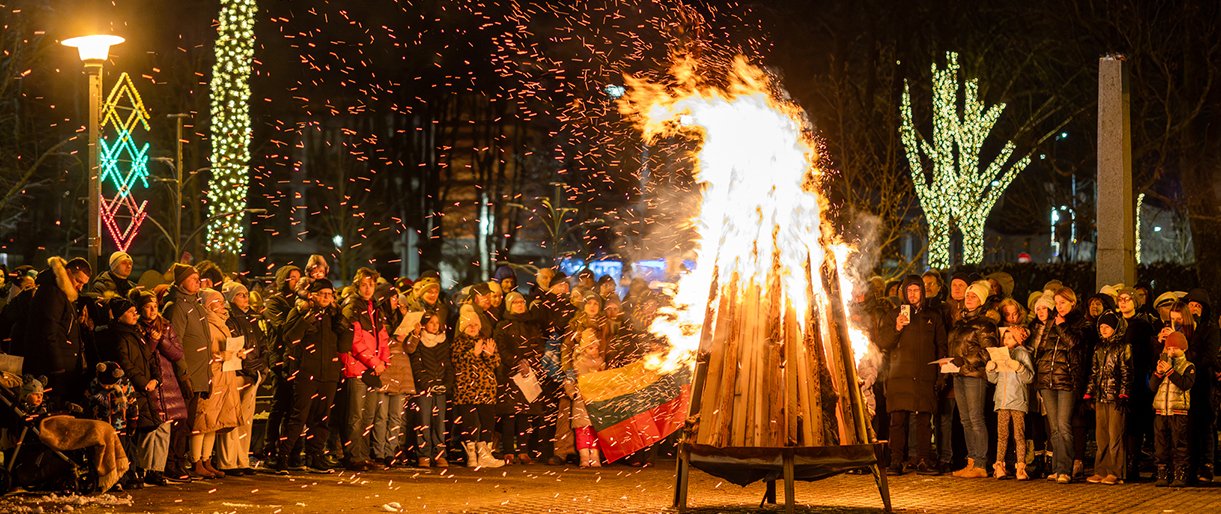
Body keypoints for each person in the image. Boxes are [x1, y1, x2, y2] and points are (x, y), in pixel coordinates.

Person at [271, 278, 350, 474]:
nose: (326, 297)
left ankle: (316, 456)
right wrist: (307, 319)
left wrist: (343, 323)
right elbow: (289, 338)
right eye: (322, 293)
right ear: (311, 295)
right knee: (298, 416)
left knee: (322, 417)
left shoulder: (334, 315)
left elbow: (344, 346)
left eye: (330, 294)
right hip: (306, 372)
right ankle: (284, 457)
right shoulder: (299, 311)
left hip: (328, 374)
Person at [877, 276, 947, 476]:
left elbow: (941, 344)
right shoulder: (894, 315)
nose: (913, 294)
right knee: (897, 420)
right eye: (909, 291)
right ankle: (896, 461)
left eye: (916, 290)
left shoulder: (933, 316)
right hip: (899, 375)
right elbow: (883, 342)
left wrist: (941, 373)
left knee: (924, 420)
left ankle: (923, 459)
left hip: (924, 375)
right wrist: (897, 327)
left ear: (922, 292)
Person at [105, 296, 169, 486]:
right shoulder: (119, 336)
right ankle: (131, 472)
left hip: (144, 389)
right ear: (119, 316)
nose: (135, 314)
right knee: (131, 432)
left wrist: (156, 378)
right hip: (133, 390)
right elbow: (126, 363)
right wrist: (143, 382)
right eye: (130, 311)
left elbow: (149, 358)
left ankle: (139, 470)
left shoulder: (135, 334)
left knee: (147, 428)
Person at [162, 263, 214, 479]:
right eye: (192, 278)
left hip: (200, 374)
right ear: (181, 280)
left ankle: (179, 461)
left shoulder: (197, 305)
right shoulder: (177, 306)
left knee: (189, 422)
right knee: (180, 423)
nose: (197, 281)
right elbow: (176, 342)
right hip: (186, 374)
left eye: (198, 278)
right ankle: (172, 464)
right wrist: (183, 373)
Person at [19, 256, 92, 406]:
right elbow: (48, 332)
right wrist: (58, 368)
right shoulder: (53, 293)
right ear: (67, 273)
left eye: (84, 284)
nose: (80, 287)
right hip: (52, 370)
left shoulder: (62, 293)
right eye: (78, 281)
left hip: (61, 367)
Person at [132, 290, 188, 485]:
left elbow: (178, 352)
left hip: (168, 382)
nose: (153, 309)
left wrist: (161, 340)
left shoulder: (165, 326)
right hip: (150, 383)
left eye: (155, 305)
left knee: (165, 427)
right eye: (148, 306)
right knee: (150, 428)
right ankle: (144, 467)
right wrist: (154, 341)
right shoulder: (137, 328)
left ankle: (158, 468)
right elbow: (144, 354)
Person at [1035, 287, 1090, 484]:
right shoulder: (1051, 323)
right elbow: (1042, 348)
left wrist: (1062, 326)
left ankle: (1065, 469)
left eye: (1063, 303)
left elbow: (1074, 344)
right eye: (1057, 303)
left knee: (1064, 425)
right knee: (1054, 428)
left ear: (1072, 303)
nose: (1059, 307)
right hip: (1047, 379)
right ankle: (1057, 467)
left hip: (1066, 380)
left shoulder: (1080, 323)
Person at [339, 268, 390, 472]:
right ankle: (353, 456)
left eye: (371, 284)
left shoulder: (375, 307)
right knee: (356, 416)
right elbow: (355, 341)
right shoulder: (352, 306)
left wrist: (384, 362)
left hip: (372, 368)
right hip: (358, 368)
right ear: (357, 285)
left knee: (368, 415)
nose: (368, 288)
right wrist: (374, 362)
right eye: (364, 284)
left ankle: (364, 454)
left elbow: (383, 337)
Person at [948, 281, 998, 479]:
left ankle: (980, 463)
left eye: (974, 296)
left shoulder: (985, 324)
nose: (969, 298)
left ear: (982, 300)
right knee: (965, 419)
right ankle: (971, 461)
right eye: (968, 295)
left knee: (976, 419)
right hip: (959, 373)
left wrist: (966, 360)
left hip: (975, 376)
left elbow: (989, 353)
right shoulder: (960, 322)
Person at [217, 281, 268, 476]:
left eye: (246, 294)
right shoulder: (229, 320)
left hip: (251, 375)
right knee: (232, 418)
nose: (246, 298)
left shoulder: (251, 319)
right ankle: (228, 461)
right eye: (241, 295)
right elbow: (235, 348)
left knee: (246, 420)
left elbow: (263, 345)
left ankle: (242, 458)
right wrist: (250, 367)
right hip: (238, 375)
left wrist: (260, 368)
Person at [192, 289, 241, 479]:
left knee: (214, 422)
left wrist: (236, 354)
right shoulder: (205, 324)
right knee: (203, 420)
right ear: (207, 305)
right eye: (218, 302)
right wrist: (219, 356)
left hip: (224, 377)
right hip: (212, 378)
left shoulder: (222, 324)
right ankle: (196, 461)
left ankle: (206, 460)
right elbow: (200, 353)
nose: (223, 305)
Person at [494, 291, 545, 464]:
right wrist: (516, 362)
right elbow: (501, 347)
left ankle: (523, 450)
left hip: (527, 373)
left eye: (521, 302)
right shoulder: (502, 325)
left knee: (525, 414)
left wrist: (529, 362)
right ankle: (508, 450)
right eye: (515, 302)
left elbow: (539, 345)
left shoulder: (532, 324)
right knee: (509, 414)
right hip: (509, 374)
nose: (519, 304)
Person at [1084, 311, 1132, 485]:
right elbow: (1094, 371)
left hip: (1115, 397)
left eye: (1107, 327)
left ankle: (1116, 471)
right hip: (1100, 396)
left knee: (1115, 435)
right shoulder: (1098, 347)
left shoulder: (1122, 347)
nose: (1103, 329)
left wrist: (1123, 393)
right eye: (1101, 326)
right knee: (1101, 436)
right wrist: (1089, 392)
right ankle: (1101, 470)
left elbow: (1126, 372)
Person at [260, 264, 302, 465]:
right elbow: (283, 327)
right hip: (279, 359)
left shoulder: (300, 300)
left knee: (295, 408)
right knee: (279, 406)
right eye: (292, 277)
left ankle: (290, 449)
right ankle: (270, 448)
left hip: (297, 360)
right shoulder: (275, 303)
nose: (296, 281)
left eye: (298, 277)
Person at [451, 311, 504, 468]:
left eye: (475, 325)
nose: (473, 327)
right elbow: (458, 363)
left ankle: (484, 454)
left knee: (487, 422)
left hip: (486, 390)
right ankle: (471, 454)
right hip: (466, 390)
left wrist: (489, 355)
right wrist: (473, 353)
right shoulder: (458, 344)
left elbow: (495, 363)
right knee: (470, 423)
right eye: (469, 325)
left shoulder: (485, 341)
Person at [986, 312, 1034, 480]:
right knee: (1002, 435)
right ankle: (999, 464)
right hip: (1002, 401)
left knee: (1019, 435)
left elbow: (1029, 377)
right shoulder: (1001, 354)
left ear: (1018, 340)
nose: (1006, 341)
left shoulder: (1023, 354)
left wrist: (1019, 368)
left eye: (1010, 338)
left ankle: (1021, 466)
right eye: (1005, 338)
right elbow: (994, 380)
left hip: (1018, 400)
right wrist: (990, 369)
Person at [404, 312, 452, 468]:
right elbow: (416, 365)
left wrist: (447, 384)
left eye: (437, 322)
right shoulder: (419, 341)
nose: (435, 325)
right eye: (431, 322)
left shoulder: (443, 341)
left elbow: (448, 364)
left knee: (440, 422)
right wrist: (427, 384)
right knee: (423, 420)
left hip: (441, 387)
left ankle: (439, 453)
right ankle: (423, 453)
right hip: (424, 388)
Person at [1182, 289, 1218, 483]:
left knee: (1205, 424)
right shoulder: (1184, 328)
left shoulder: (1209, 329)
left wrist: (1192, 364)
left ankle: (1207, 466)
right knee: (1189, 427)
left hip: (1203, 381)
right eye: (1191, 305)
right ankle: (1191, 465)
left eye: (1198, 306)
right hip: (1185, 383)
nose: (1194, 309)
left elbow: (1210, 356)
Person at [1151, 331, 1195, 487]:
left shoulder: (1188, 366)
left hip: (1178, 411)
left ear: (1183, 349)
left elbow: (1185, 384)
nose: (1171, 351)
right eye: (1168, 348)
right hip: (1161, 410)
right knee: (1161, 444)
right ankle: (1162, 473)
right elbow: (1151, 387)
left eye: (1175, 348)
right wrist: (1158, 373)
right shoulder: (1162, 365)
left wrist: (1170, 371)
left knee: (1179, 444)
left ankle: (1180, 474)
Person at [568, 328, 606, 467]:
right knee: (582, 430)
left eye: (596, 347)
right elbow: (569, 380)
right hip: (581, 401)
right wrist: (573, 392)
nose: (594, 350)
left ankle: (595, 456)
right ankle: (584, 456)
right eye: (590, 348)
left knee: (595, 430)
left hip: (595, 401)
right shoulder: (577, 364)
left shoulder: (601, 364)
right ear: (584, 349)